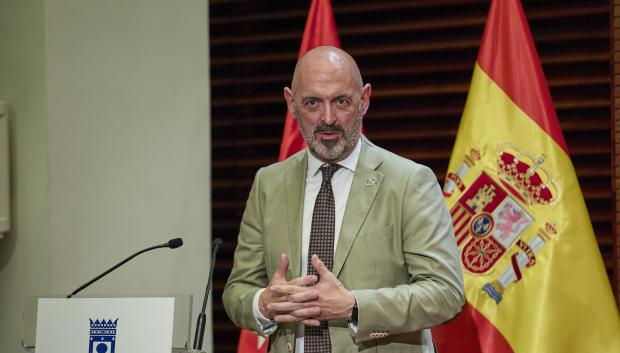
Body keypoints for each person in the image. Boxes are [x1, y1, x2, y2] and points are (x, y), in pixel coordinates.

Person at [223, 46, 464, 353]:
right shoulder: (268, 183)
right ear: (291, 103)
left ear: (364, 100)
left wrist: (353, 305)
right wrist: (264, 304)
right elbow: (236, 291)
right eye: (312, 102)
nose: (328, 118)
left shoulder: (409, 182)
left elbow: (446, 293)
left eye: (341, 101)